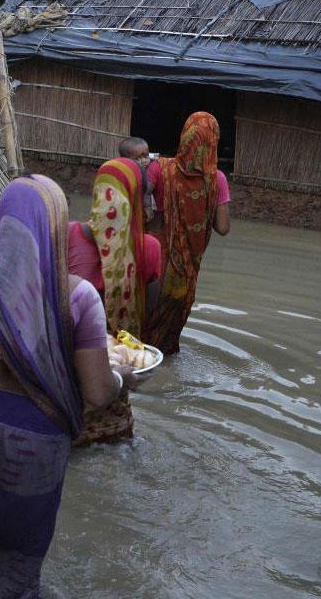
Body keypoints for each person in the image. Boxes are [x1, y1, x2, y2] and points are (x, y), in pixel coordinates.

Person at [0, 175, 140, 599]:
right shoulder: (79, 298)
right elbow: (97, 392)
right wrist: (125, 379)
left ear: (3, 223)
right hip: (35, 452)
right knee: (17, 568)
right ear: (57, 227)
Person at [66, 157, 162, 444]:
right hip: (116, 383)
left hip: (68, 387)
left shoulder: (66, 236)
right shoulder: (149, 249)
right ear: (136, 199)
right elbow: (149, 314)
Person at [145, 111, 231, 356]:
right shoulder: (217, 180)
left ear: (184, 137)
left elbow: (138, 199)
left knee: (139, 328)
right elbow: (223, 228)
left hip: (151, 263)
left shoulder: (159, 168)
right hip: (183, 275)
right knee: (166, 341)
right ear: (213, 141)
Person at [118, 136, 155, 220]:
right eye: (137, 158)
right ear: (125, 160)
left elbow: (146, 192)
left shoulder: (150, 169)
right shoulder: (123, 171)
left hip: (142, 206)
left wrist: (148, 208)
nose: (143, 161)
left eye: (146, 156)